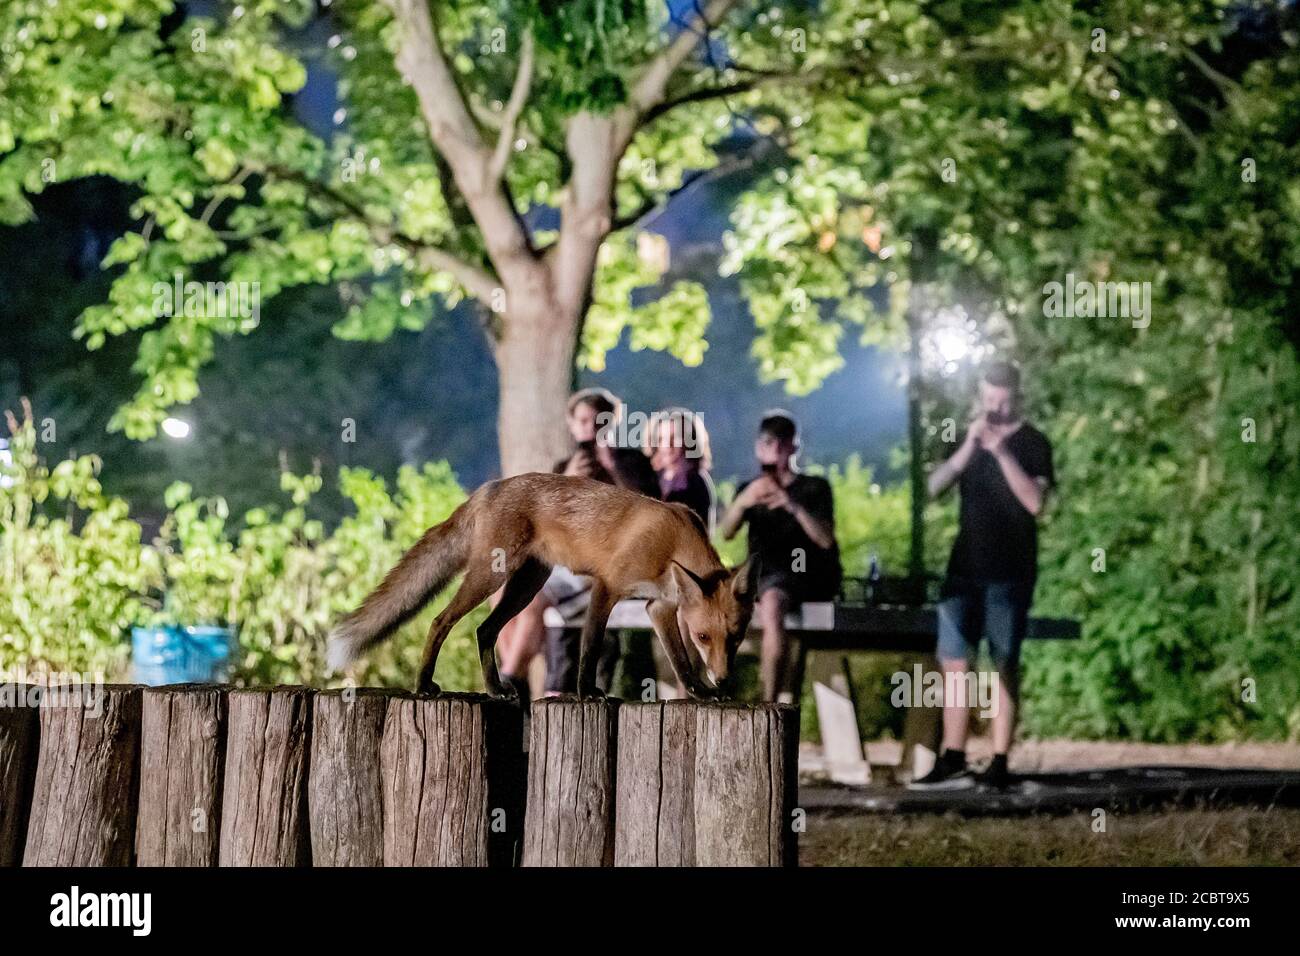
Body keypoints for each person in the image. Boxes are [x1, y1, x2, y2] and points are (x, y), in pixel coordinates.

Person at [909, 361, 1055, 791]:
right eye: (989, 398)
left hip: (1011, 570)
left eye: (1004, 400)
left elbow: (1035, 503)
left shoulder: (1033, 443)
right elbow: (933, 486)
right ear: (980, 394)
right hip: (963, 569)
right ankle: (953, 756)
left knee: (1004, 662)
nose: (996, 407)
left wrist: (1001, 451)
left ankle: (998, 761)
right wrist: (970, 445)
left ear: (1017, 396)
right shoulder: (966, 434)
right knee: (954, 662)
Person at [493, 388, 657, 701]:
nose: (590, 429)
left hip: (605, 567)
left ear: (612, 425)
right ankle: (518, 677)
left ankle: (510, 681)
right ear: (572, 424)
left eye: (599, 423)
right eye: (583, 421)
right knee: (500, 593)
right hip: (566, 563)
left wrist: (610, 466)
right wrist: (566, 479)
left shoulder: (631, 462)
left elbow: (647, 510)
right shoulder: (565, 465)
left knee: (532, 601)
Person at [719, 411, 841, 701]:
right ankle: (702, 693)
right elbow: (725, 533)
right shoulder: (749, 489)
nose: (773, 451)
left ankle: (768, 703)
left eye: (780, 444)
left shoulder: (814, 487)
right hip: (759, 575)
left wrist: (792, 505)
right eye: (766, 444)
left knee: (772, 602)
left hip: (804, 575)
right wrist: (743, 502)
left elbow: (825, 540)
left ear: (793, 447)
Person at [645, 407, 715, 532]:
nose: (667, 445)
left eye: (674, 438)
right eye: (661, 439)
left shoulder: (697, 481)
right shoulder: (651, 477)